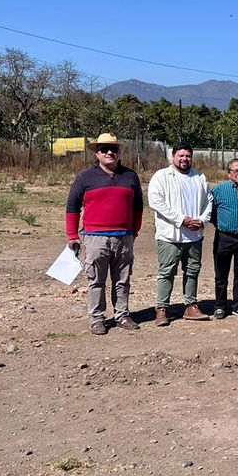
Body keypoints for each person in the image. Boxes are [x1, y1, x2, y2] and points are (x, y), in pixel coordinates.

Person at [65, 133, 144, 335]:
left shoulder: (130, 176)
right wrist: (71, 235)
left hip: (124, 237)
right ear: (97, 153)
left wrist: (134, 231)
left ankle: (122, 315)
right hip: (95, 237)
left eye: (114, 149)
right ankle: (97, 319)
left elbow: (138, 207)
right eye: (104, 149)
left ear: (119, 153)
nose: (110, 152)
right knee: (96, 280)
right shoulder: (85, 177)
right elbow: (72, 207)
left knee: (122, 280)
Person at [148, 143, 213, 326]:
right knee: (167, 272)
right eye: (181, 156)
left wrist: (202, 220)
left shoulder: (199, 177)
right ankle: (162, 309)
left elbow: (209, 201)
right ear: (173, 157)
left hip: (194, 236)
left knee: (192, 271)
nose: (184, 159)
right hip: (170, 236)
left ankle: (191, 306)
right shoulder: (161, 176)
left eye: (188, 156)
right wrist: (181, 219)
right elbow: (156, 201)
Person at [210, 158, 238, 320]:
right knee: (221, 274)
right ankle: (220, 306)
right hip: (224, 238)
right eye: (236, 170)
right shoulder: (219, 191)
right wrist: (222, 225)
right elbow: (211, 213)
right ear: (229, 173)